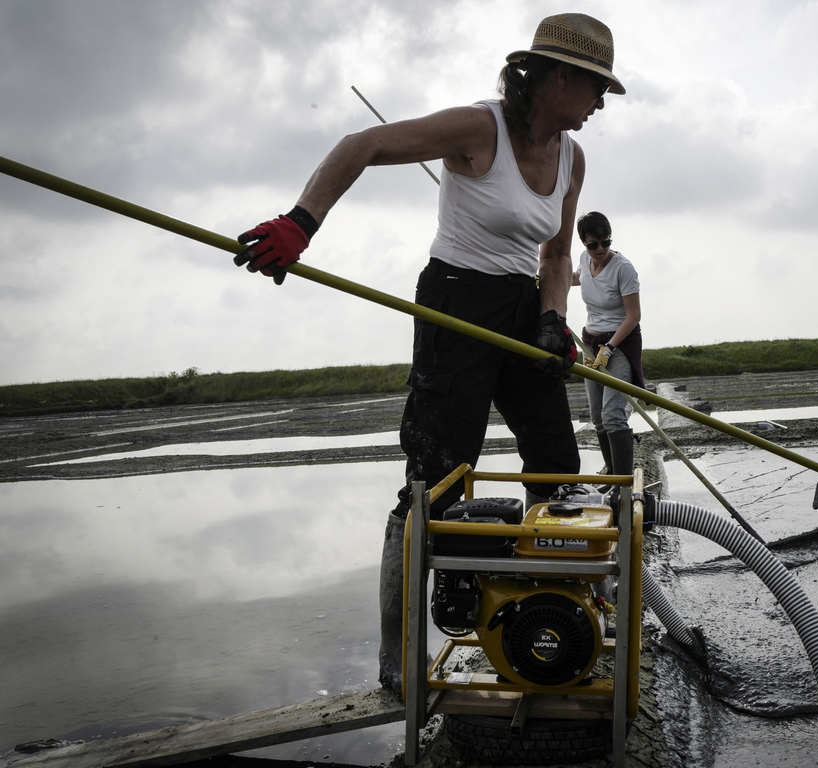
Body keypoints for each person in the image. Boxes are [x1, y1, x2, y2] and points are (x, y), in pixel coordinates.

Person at [233, 13, 625, 695]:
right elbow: (361, 143)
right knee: (438, 475)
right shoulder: (481, 127)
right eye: (596, 89)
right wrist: (301, 223)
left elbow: (557, 253)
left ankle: (542, 612)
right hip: (455, 300)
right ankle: (398, 651)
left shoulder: (573, 156)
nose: (599, 106)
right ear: (559, 77)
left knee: (557, 464)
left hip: (524, 307)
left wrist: (555, 320)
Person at [573, 211, 643, 478]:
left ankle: (623, 485)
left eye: (605, 242)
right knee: (597, 416)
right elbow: (578, 278)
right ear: (584, 244)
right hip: (590, 343)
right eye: (593, 245)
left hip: (620, 344)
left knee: (613, 413)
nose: (600, 249)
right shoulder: (585, 260)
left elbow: (633, 315)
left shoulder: (623, 268)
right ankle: (612, 473)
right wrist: (543, 281)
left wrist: (610, 348)